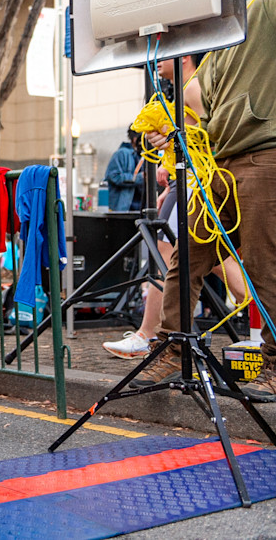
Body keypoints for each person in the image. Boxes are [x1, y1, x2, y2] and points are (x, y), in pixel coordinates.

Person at [136, 0, 276, 401]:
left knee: (263, 260)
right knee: (187, 253)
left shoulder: (267, 9)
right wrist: (173, 133)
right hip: (224, 165)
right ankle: (173, 348)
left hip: (270, 155)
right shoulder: (213, 53)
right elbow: (204, 117)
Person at [103, 55, 245, 359]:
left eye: (164, 51)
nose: (156, 59)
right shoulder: (185, 90)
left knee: (174, 255)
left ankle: (149, 333)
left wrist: (172, 146)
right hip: (187, 182)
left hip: (197, 182)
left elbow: (214, 140)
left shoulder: (194, 88)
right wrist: (169, 173)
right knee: (193, 256)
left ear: (185, 57)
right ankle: (151, 332)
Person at [103, 128, 143, 212]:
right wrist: (140, 177)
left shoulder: (142, 156)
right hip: (122, 209)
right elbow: (114, 176)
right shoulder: (121, 154)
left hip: (139, 209)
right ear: (135, 139)